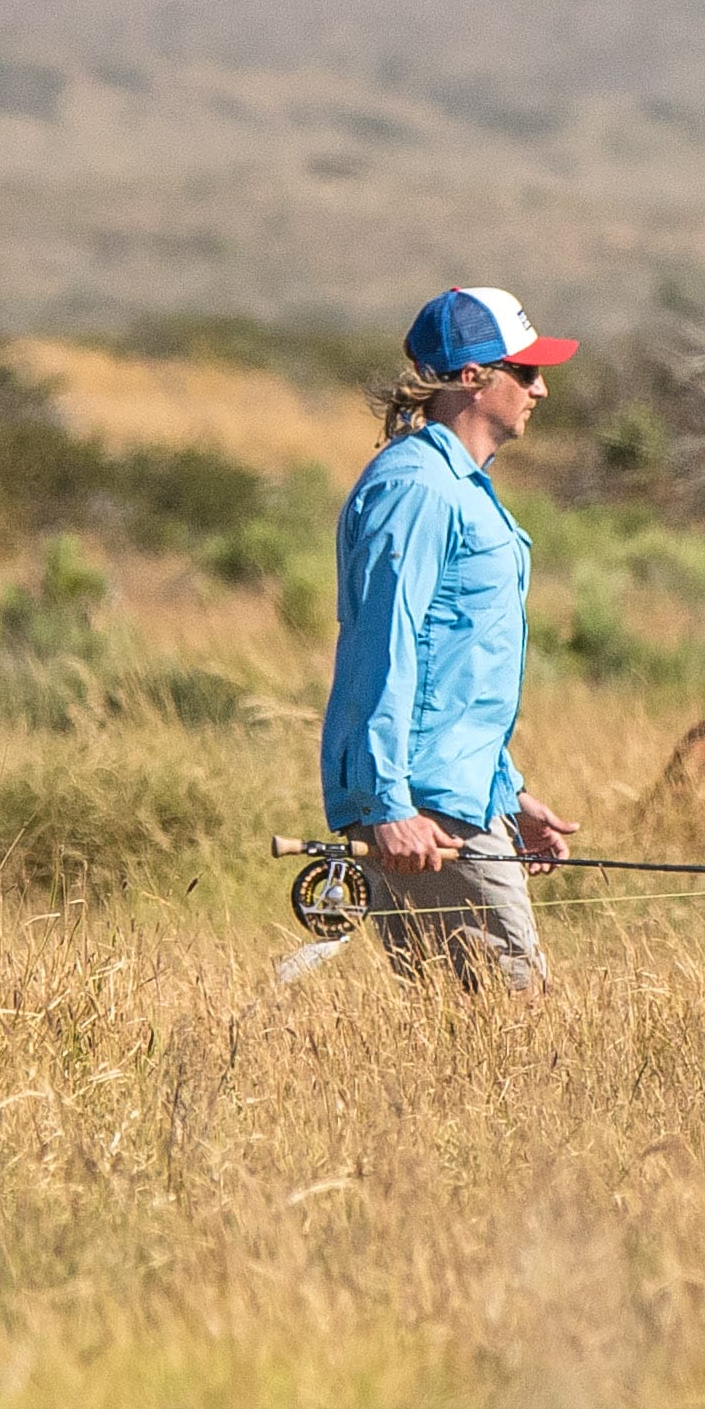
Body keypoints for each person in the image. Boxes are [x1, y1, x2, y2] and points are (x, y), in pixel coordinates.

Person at [302, 283, 582, 988]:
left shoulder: (460, 485)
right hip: (425, 815)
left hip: (458, 801)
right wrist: (388, 806)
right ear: (471, 378)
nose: (540, 389)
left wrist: (507, 793)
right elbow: (382, 649)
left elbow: (451, 669)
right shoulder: (418, 489)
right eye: (525, 371)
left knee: (476, 1033)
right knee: (510, 1027)